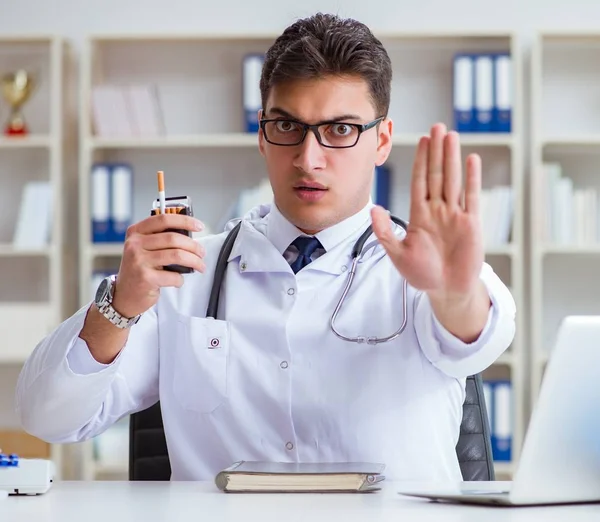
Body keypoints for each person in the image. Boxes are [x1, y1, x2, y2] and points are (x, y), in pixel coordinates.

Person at [16, 13, 515, 482]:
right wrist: (118, 304)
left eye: (340, 130)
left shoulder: (426, 265)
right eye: (287, 126)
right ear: (261, 133)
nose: (308, 158)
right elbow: (47, 416)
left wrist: (452, 292)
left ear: (381, 140)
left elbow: (479, 333)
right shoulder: (185, 273)